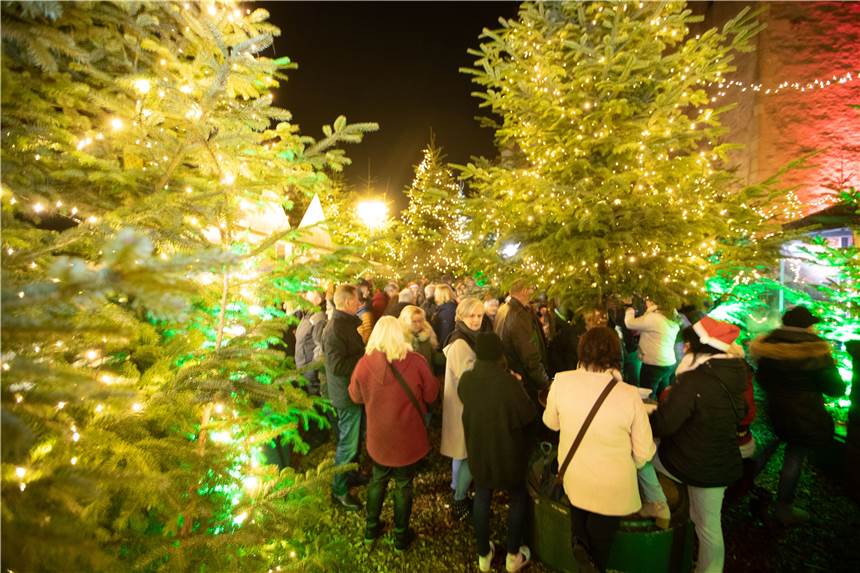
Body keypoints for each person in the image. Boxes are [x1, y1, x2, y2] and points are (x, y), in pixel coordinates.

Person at [543, 327, 656, 572]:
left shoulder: (562, 380)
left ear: (581, 350)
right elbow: (645, 451)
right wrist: (631, 464)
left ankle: (579, 541)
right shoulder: (628, 395)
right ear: (616, 355)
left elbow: (551, 423)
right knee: (601, 546)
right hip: (612, 487)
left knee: (580, 519)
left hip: (574, 473)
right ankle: (591, 558)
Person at [649, 317, 748, 573]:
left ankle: (658, 506)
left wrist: (648, 415)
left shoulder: (695, 380)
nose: (683, 348)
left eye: (688, 343)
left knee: (642, 456)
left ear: (701, 346)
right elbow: (741, 411)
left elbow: (664, 425)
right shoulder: (733, 374)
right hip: (720, 459)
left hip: (690, 461)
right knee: (709, 526)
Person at [348, 317, 439, 552]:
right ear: (401, 335)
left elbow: (355, 397)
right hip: (408, 438)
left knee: (378, 480)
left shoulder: (364, 364)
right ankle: (400, 537)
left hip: (379, 438)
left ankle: (370, 530)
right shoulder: (417, 362)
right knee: (404, 485)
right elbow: (431, 395)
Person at [750, 306, 845, 525]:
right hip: (805, 413)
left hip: (774, 408)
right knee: (794, 457)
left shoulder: (769, 345)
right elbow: (835, 387)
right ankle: (783, 509)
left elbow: (762, 378)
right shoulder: (816, 350)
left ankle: (738, 487)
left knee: (764, 449)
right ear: (807, 326)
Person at [460, 332, 536, 572]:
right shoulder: (508, 383)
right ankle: (513, 556)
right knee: (517, 497)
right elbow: (528, 415)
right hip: (508, 452)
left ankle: (484, 555)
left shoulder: (466, 380)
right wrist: (518, 384)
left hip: (479, 449)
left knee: (482, 495)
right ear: (499, 354)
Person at [321, 284, 366, 510]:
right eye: (358, 300)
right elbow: (337, 365)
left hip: (351, 391)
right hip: (346, 395)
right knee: (348, 443)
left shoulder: (344, 325)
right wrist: (364, 359)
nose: (361, 303)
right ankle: (339, 490)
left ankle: (351, 474)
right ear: (348, 303)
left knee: (354, 439)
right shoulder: (336, 328)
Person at [441, 296, 484, 520]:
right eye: (472, 316)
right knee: (466, 454)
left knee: (463, 453)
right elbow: (469, 379)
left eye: (480, 316)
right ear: (461, 316)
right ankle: (458, 498)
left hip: (466, 406)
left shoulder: (470, 337)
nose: (476, 320)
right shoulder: (460, 343)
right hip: (464, 407)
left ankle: (458, 489)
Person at [494, 278, 549, 407]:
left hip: (512, 376)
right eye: (532, 289)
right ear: (525, 291)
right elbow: (529, 354)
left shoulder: (504, 309)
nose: (533, 292)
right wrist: (544, 383)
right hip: (525, 382)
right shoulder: (518, 315)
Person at [625, 298, 680, 398]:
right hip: (668, 363)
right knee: (663, 393)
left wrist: (629, 310)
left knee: (648, 394)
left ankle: (650, 412)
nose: (646, 302)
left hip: (654, 364)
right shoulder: (671, 317)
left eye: (647, 300)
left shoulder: (654, 318)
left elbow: (630, 323)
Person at [294, 290, 327, 396]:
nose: (304, 300)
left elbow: (320, 346)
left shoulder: (318, 318)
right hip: (302, 367)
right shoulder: (307, 315)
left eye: (308, 298)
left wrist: (311, 370)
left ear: (317, 300)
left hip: (309, 371)